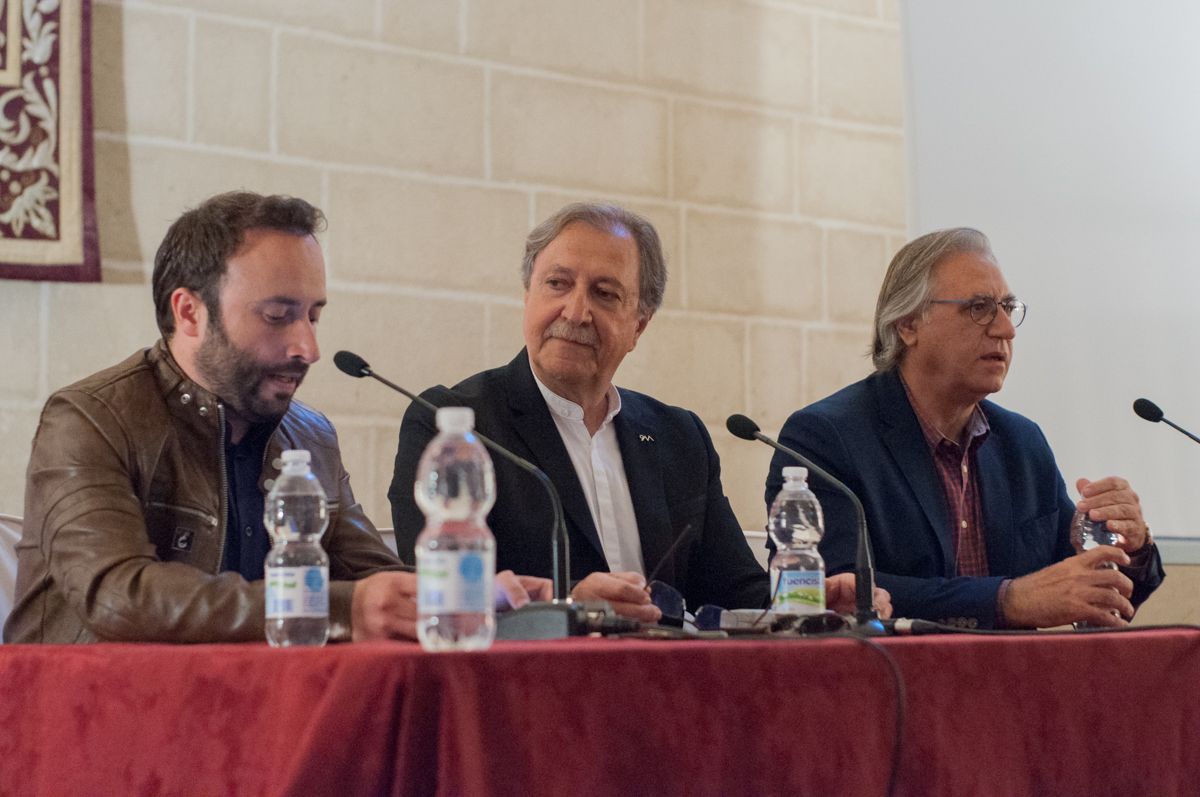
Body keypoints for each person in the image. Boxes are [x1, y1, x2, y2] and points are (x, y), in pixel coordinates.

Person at [4, 192, 548, 644]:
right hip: (88, 718)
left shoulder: (310, 435)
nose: (308, 348)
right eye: (277, 316)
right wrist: (341, 609)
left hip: (252, 710)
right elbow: (119, 596)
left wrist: (483, 598)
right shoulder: (91, 418)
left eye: (313, 316)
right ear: (189, 312)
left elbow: (372, 577)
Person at [390, 202, 890, 623]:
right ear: (528, 297)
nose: (575, 312)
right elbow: (437, 590)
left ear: (639, 325)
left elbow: (735, 593)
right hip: (526, 687)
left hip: (667, 688)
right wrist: (568, 605)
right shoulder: (454, 422)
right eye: (557, 284)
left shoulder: (679, 437)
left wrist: (805, 606)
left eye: (604, 294)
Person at [766, 227, 1164, 629]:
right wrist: (1006, 600)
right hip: (894, 667)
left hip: (1014, 670)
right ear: (908, 324)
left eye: (1008, 307)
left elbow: (1080, 591)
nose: (1006, 329)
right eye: (979, 307)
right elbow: (831, 590)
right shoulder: (826, 437)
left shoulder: (1022, 443)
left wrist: (1131, 545)